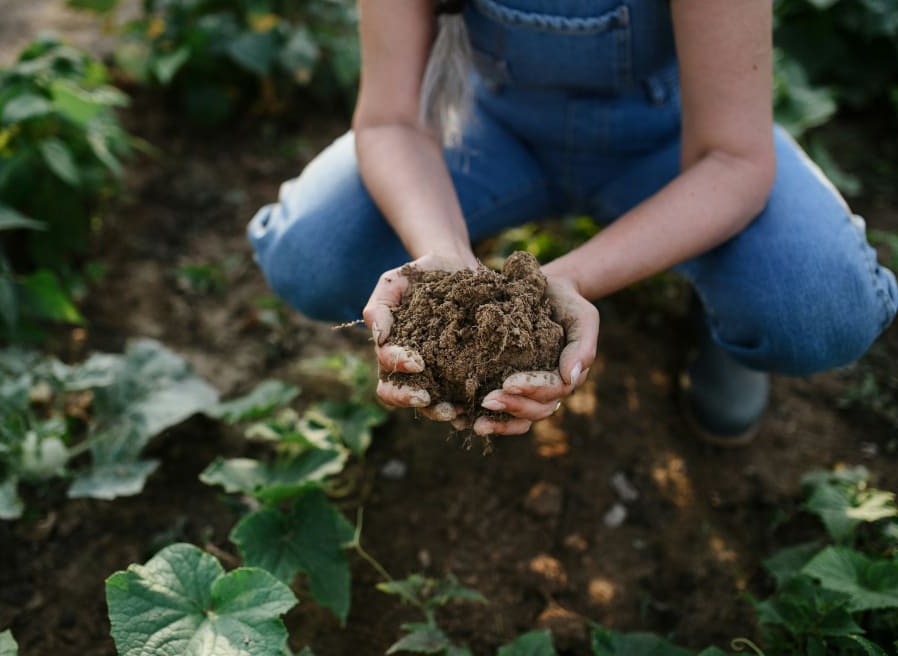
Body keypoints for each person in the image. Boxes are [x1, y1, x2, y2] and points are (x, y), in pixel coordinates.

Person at [247, 0, 898, 444]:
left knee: (816, 306)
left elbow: (732, 158)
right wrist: (444, 261)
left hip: (677, 145)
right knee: (313, 255)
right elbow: (391, 119)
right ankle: (475, 240)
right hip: (488, 129)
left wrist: (562, 283)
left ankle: (728, 322)